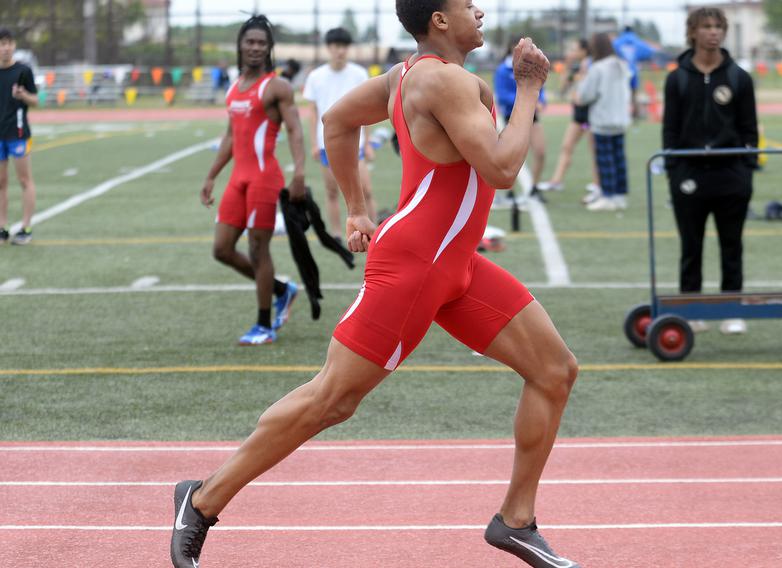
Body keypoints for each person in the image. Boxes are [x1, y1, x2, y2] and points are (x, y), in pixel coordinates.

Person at [169, 2, 581, 567]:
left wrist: (359, 210)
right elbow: (503, 170)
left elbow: (336, 121)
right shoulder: (443, 81)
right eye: (467, 4)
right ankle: (202, 498)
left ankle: (515, 520)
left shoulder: (407, 75)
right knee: (332, 398)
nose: (480, 11)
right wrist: (529, 87)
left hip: (455, 266)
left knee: (554, 371)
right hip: (414, 266)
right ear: (439, 19)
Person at [200, 15, 307, 345]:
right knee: (221, 249)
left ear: (269, 48)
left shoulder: (277, 87)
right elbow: (232, 137)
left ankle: (264, 325)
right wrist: (211, 176)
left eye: (262, 42)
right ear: (240, 45)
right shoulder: (234, 88)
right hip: (238, 178)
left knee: (259, 250)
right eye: (250, 41)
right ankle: (281, 290)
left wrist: (299, 173)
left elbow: (294, 129)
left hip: (264, 178)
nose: (256, 47)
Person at [662, 7, 758, 335]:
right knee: (691, 246)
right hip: (688, 176)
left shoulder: (739, 78)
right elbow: (670, 131)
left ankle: (733, 309)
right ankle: (691, 310)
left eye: (718, 26)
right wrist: (675, 170)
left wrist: (745, 170)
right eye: (706, 26)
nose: (713, 32)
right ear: (693, 32)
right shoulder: (677, 78)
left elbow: (750, 131)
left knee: (732, 245)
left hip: (731, 175)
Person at [303, 27, 377, 240]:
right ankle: (336, 232)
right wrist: (314, 144)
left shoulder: (359, 74)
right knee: (332, 191)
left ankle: (376, 233)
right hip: (327, 143)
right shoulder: (316, 76)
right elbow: (313, 112)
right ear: (329, 48)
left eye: (344, 46)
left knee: (366, 190)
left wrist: (368, 142)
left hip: (356, 143)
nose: (340, 51)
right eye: (336, 46)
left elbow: (367, 110)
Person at [577, 32, 632, 212]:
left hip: (603, 120)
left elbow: (584, 96)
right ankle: (620, 196)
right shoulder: (621, 64)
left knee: (605, 160)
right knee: (619, 159)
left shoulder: (598, 68)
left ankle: (608, 196)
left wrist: (582, 78)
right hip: (620, 119)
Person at [537, 38, 600, 198]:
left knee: (594, 150)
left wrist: (581, 75)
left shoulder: (592, 64)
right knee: (566, 146)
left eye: (575, 49)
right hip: (579, 114)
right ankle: (556, 181)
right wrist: (568, 66)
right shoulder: (576, 66)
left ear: (584, 51)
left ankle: (598, 184)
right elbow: (563, 88)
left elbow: (588, 88)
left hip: (591, 113)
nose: (572, 52)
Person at [494, 35, 547, 196]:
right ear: (512, 47)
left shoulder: (532, 65)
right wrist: (524, 98)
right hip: (513, 116)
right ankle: (511, 192)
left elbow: (540, 86)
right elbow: (502, 95)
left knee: (540, 151)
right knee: (512, 157)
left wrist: (540, 100)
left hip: (532, 115)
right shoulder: (503, 69)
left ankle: (534, 188)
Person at [0, 27, 39, 245]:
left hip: (18, 133)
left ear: (13, 45)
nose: (5, 48)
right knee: (0, 182)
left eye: (8, 43)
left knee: (24, 180)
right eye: (1, 44)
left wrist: (23, 94)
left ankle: (26, 227)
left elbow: (36, 100)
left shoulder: (23, 71)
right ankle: (2, 227)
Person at [613, 25, 654, 120]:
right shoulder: (637, 42)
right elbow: (649, 52)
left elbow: (611, 52)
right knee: (634, 95)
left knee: (620, 94)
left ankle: (620, 114)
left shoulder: (617, 42)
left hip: (621, 72)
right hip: (634, 72)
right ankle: (636, 115)